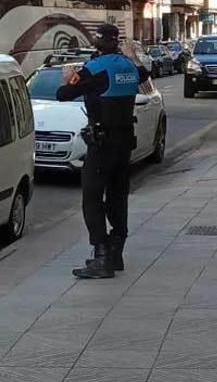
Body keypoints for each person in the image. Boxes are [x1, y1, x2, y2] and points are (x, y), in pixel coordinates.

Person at [56, 24, 150, 279]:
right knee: (118, 197)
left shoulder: (95, 68)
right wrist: (131, 54)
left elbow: (64, 94)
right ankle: (116, 252)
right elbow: (144, 73)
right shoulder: (130, 67)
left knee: (92, 197)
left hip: (101, 143)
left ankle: (101, 257)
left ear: (98, 41)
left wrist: (67, 78)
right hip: (124, 143)